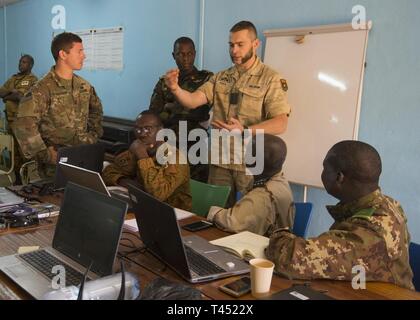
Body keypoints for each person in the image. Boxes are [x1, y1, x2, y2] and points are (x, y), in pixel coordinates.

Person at [165, 21, 291, 206]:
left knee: (247, 218)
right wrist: (175, 88)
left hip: (250, 163)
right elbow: (192, 101)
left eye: (240, 45)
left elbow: (281, 123)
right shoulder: (221, 77)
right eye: (231, 45)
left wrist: (245, 130)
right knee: (213, 214)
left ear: (255, 44)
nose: (234, 50)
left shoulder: (270, 79)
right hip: (220, 160)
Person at [265, 140, 414, 290]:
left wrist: (279, 235)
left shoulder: (373, 232)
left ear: (339, 177)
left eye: (325, 168)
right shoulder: (387, 203)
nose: (322, 172)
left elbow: (289, 258)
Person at [12, 33, 103, 178]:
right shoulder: (42, 89)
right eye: (79, 51)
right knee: (55, 199)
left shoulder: (84, 86)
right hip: (53, 167)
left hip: (82, 159)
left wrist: (91, 137)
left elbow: (96, 111)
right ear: (63, 54)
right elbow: (24, 126)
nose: (84, 56)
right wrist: (45, 154)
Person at [150, 37, 213, 182]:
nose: (185, 58)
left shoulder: (206, 78)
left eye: (189, 54)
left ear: (195, 54)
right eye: (181, 54)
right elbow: (154, 114)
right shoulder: (165, 82)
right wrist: (181, 109)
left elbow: (201, 112)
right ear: (174, 55)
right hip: (168, 142)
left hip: (194, 142)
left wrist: (171, 108)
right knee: (167, 183)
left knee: (195, 187)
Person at [102, 111, 192, 211]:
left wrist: (143, 156)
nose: (142, 134)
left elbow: (157, 194)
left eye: (148, 129)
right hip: (142, 207)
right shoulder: (137, 149)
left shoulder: (176, 158)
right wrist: (131, 185)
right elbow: (108, 173)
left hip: (173, 215)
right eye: (138, 129)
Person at [207, 134, 294, 237]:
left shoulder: (263, 195)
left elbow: (232, 222)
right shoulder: (280, 180)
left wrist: (212, 212)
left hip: (263, 247)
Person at [0, 55, 38, 128]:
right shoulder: (13, 78)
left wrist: (6, 98)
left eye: (24, 62)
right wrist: (10, 90)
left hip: (22, 119)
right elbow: (0, 92)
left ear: (30, 65)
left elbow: (19, 96)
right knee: (10, 139)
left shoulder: (33, 80)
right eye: (20, 61)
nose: (20, 64)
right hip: (9, 118)